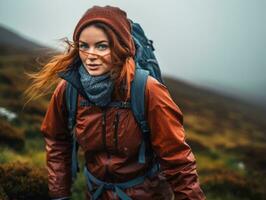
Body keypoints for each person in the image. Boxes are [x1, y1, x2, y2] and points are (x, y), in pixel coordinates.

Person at [25, 5, 205, 200]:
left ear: (120, 47)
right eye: (84, 46)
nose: (90, 55)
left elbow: (178, 160)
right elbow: (56, 140)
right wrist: (59, 195)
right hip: (95, 193)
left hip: (147, 194)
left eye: (102, 46)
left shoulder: (147, 90)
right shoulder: (69, 89)